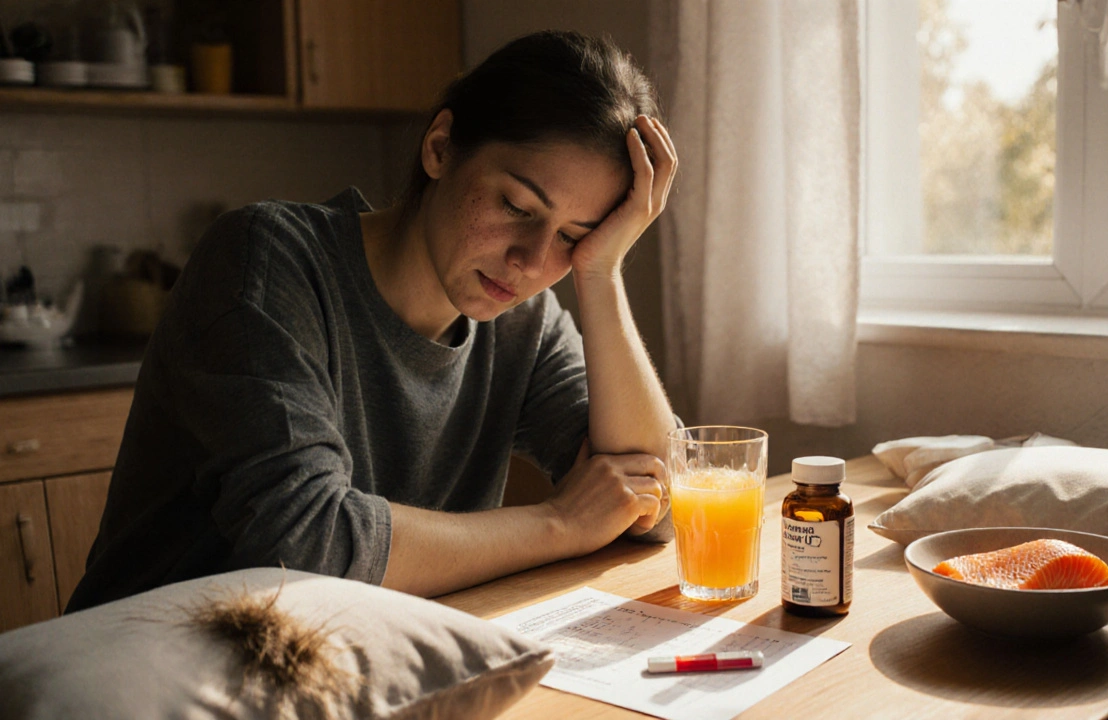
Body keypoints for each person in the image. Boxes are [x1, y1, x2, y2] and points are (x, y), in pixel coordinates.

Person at [66, 30, 679, 611]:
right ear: (440, 146)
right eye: (516, 205)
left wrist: (601, 272)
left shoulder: (525, 322)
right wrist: (560, 523)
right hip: (157, 665)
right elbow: (306, 545)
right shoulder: (265, 258)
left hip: (346, 660)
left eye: (573, 236)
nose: (531, 261)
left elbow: (656, 501)